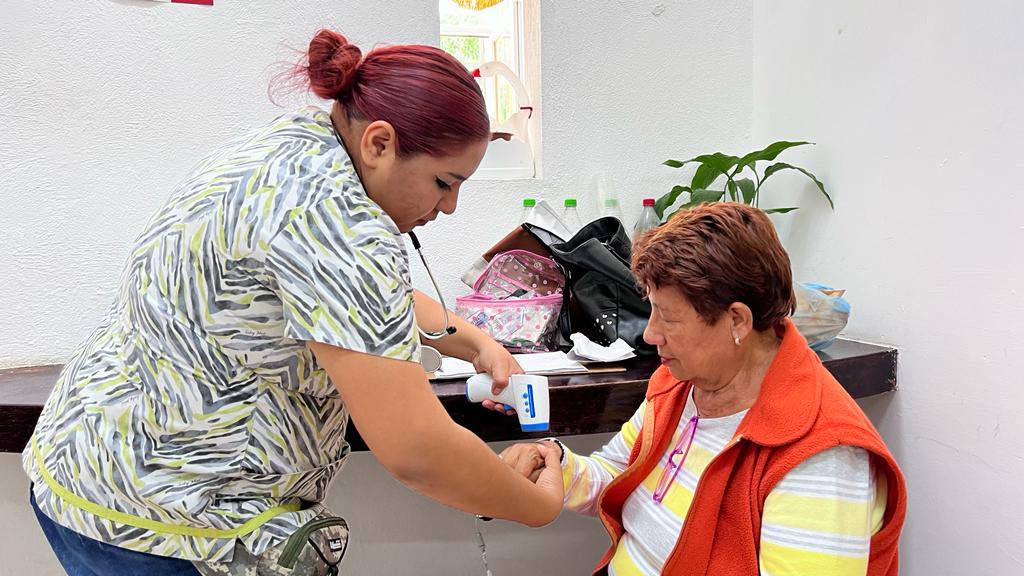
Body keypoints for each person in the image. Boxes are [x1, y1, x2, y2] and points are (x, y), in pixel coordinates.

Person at [24, 29, 563, 576]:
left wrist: (469, 338)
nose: (448, 207)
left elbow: (321, 285)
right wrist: (539, 508)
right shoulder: (340, 223)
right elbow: (416, 450)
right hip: (164, 520)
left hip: (91, 459)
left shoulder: (301, 142)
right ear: (379, 143)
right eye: (444, 182)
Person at [499, 203, 907, 575]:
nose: (651, 333)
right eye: (652, 309)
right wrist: (555, 463)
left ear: (737, 321)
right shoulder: (680, 385)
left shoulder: (821, 457)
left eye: (670, 318)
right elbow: (621, 473)